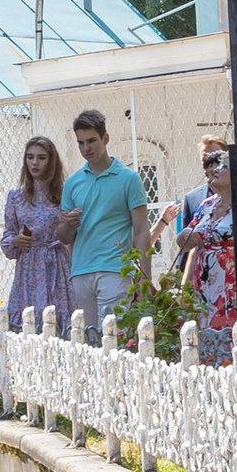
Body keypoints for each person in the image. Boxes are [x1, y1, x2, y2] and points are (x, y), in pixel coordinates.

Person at [59, 107, 152, 339]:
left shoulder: (129, 178)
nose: (86, 148)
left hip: (115, 269)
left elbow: (141, 231)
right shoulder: (72, 183)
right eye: (80, 143)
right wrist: (69, 224)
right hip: (81, 270)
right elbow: (63, 237)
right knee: (89, 342)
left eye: (91, 141)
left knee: (114, 339)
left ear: (106, 138)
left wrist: (144, 275)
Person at [175, 138, 237, 347]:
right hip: (205, 288)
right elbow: (188, 245)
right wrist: (184, 237)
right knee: (209, 344)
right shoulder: (206, 205)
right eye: (212, 166)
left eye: (223, 166)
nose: (215, 170)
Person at [1, 134, 76, 331]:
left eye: (41, 158)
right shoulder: (16, 197)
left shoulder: (63, 193)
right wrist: (16, 241)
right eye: (30, 157)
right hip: (28, 269)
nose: (35, 163)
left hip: (57, 265)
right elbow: (7, 243)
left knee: (59, 323)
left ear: (51, 161)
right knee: (28, 322)